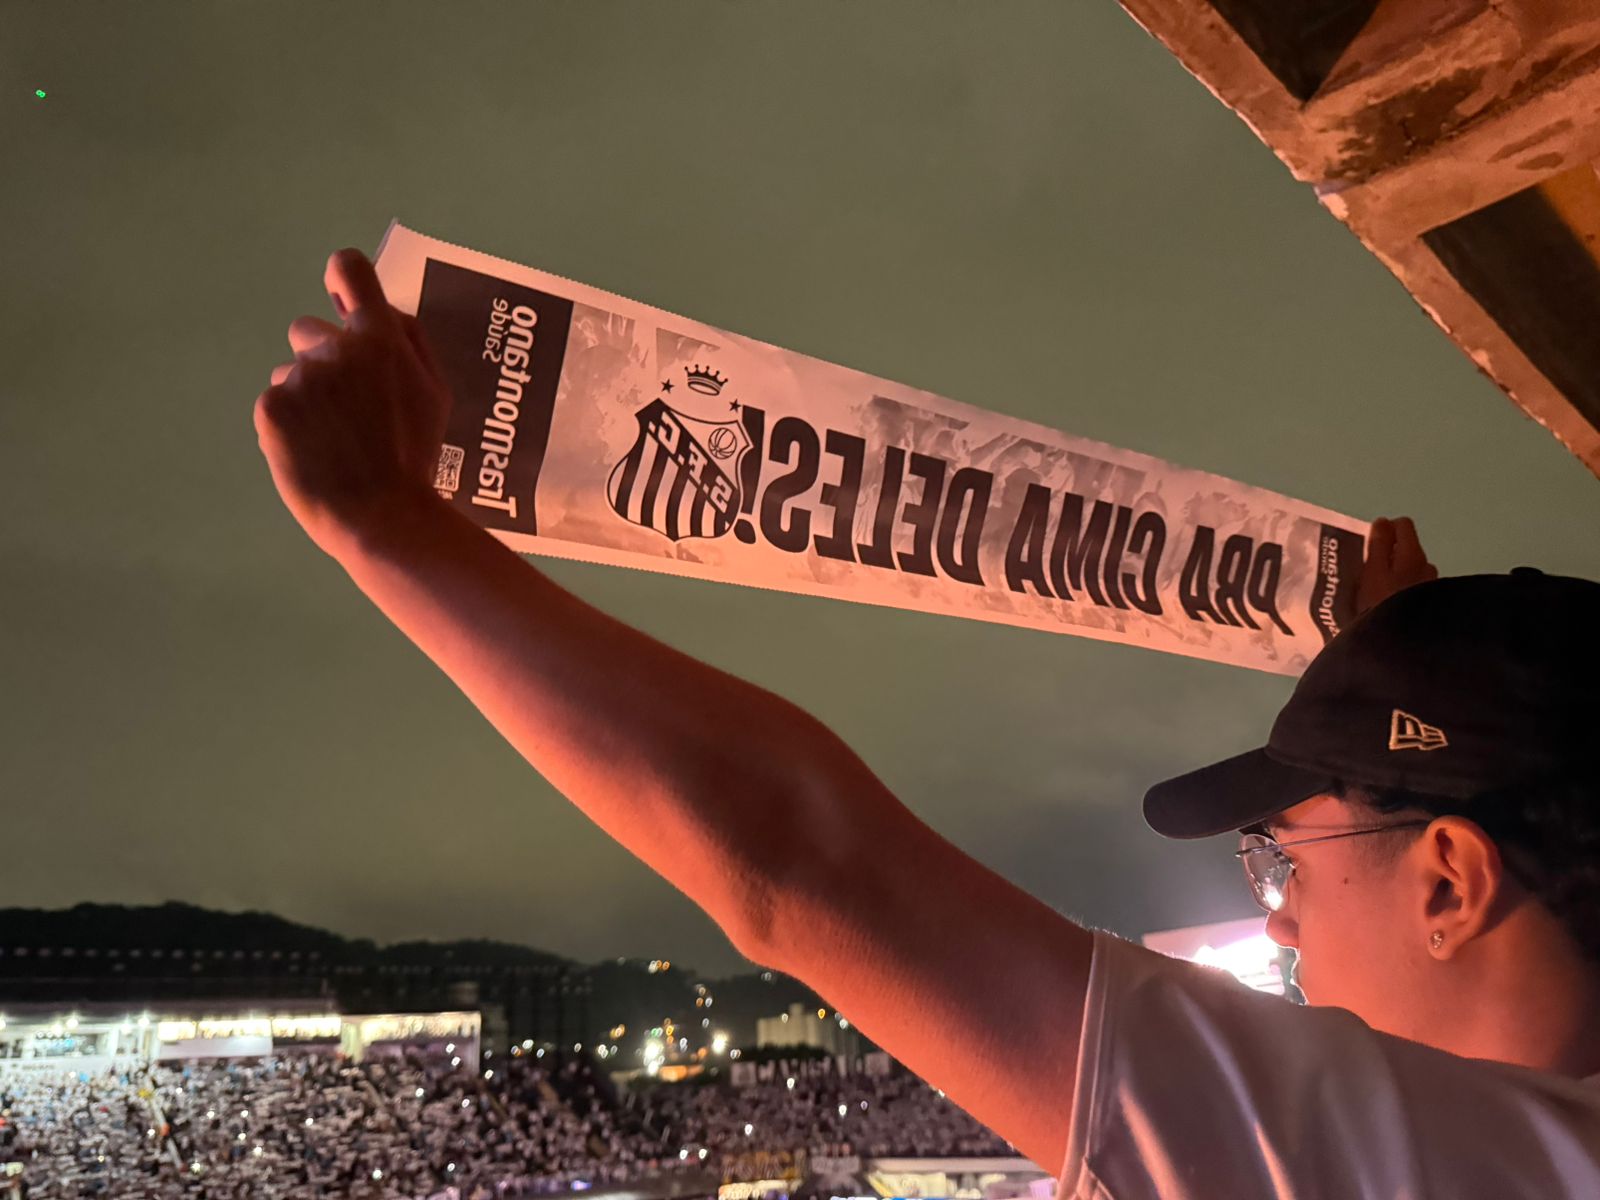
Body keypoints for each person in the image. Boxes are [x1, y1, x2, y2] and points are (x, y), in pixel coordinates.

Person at [256, 248, 1600, 1198]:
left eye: (1285, 857)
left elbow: (802, 858)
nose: (1278, 921)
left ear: (1449, 877)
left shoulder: (1433, 1167)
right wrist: (1419, 675)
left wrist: (391, 528)